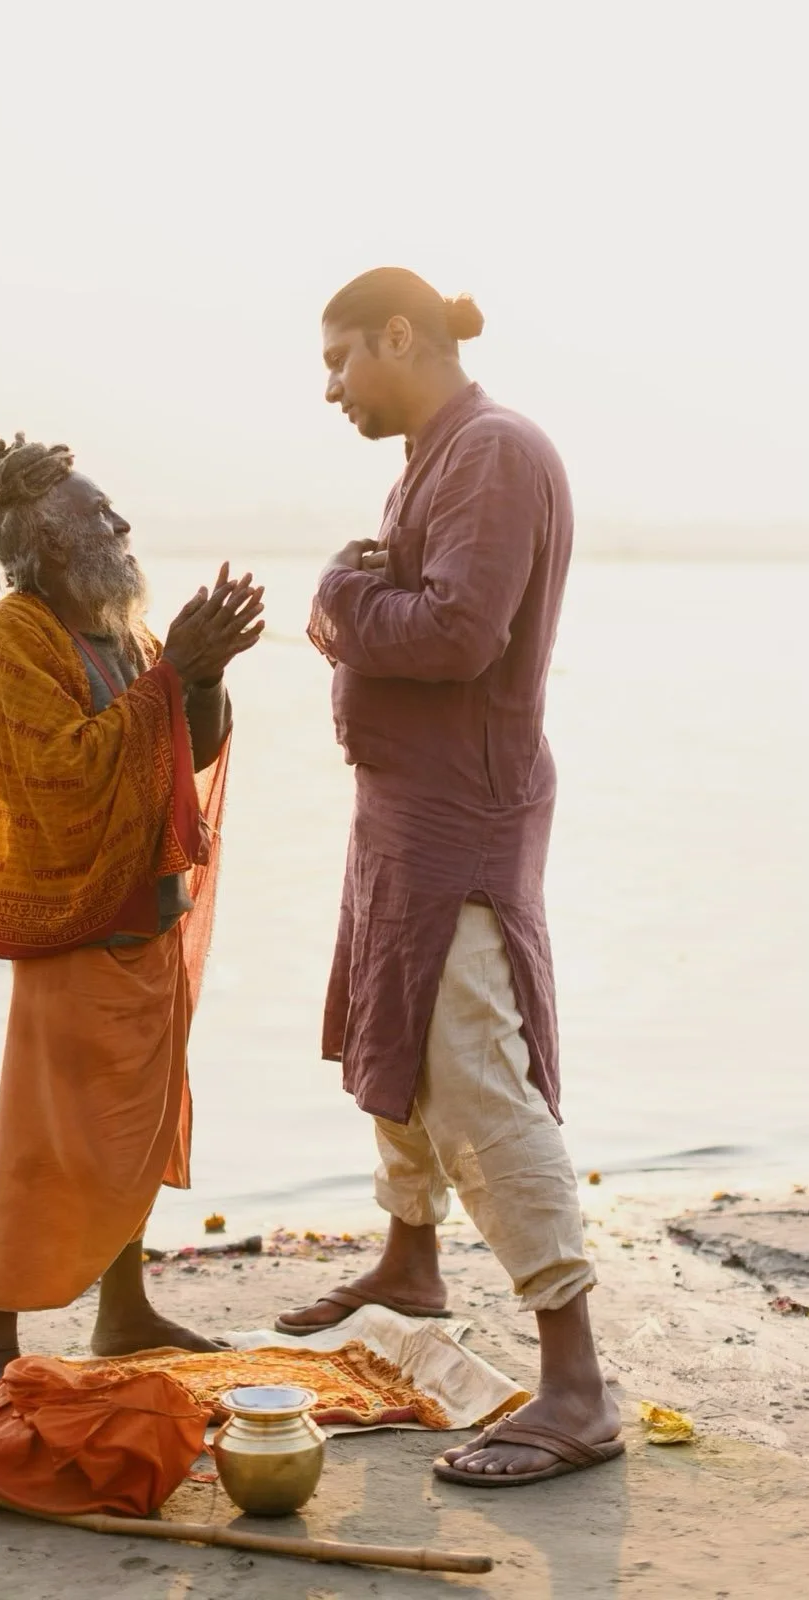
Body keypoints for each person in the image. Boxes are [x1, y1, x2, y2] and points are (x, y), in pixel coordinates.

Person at [278, 269, 622, 1486]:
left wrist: (334, 599)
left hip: (462, 812)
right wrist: (359, 599)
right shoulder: (438, 451)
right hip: (408, 808)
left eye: (339, 360)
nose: (329, 386)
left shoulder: (493, 452)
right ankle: (410, 1258)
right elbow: (410, 605)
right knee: (396, 1029)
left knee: (476, 1066)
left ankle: (575, 1382)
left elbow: (456, 632)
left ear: (401, 335)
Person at [0, 426, 264, 1396]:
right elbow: (62, 777)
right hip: (74, 928)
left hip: (147, 924)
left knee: (135, 1127)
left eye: (112, 509)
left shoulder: (126, 635)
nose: (120, 525)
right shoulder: (13, 636)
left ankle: (122, 1312)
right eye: (95, 515)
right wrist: (175, 678)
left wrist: (200, 673)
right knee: (45, 1140)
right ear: (47, 549)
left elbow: (190, 751)